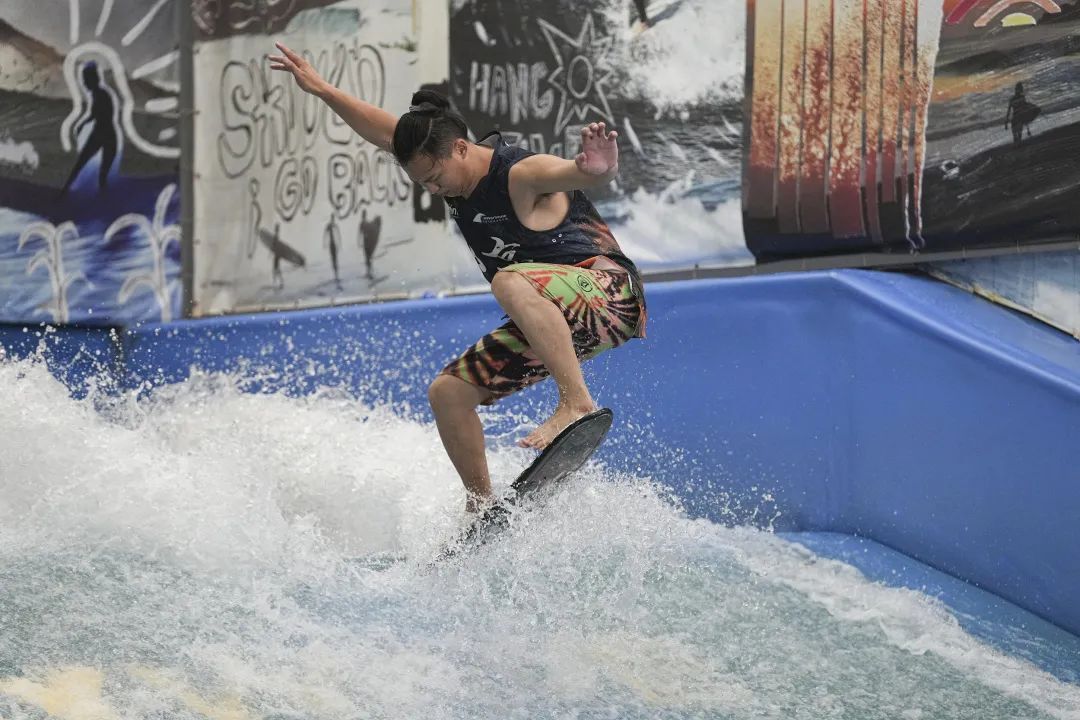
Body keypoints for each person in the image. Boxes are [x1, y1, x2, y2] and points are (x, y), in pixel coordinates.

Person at [269, 43, 646, 514]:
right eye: (421, 183)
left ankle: (575, 402)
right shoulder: (444, 167)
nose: (432, 189)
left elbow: (568, 172)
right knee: (448, 394)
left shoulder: (517, 173)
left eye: (434, 177)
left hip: (611, 296)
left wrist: (593, 170)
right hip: (558, 321)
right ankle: (480, 508)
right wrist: (323, 89)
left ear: (461, 148)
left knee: (508, 281)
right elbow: (381, 130)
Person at [60, 61, 118, 197]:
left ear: (93, 79)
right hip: (102, 133)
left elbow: (102, 115)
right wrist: (82, 124)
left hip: (106, 135)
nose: (84, 83)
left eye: (85, 79)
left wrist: (83, 124)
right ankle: (64, 193)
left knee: (99, 173)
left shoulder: (102, 94)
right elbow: (94, 114)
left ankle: (104, 200)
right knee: (81, 164)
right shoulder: (97, 94)